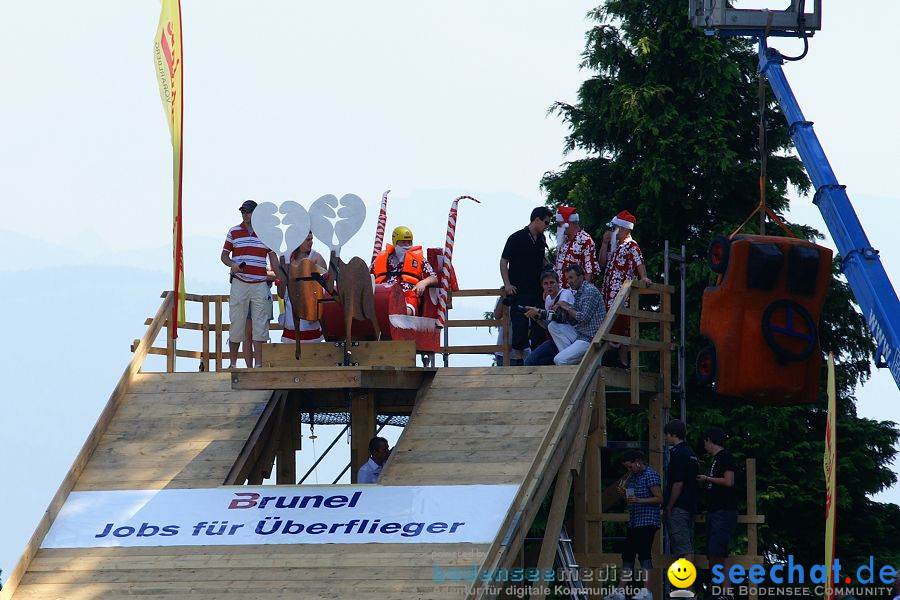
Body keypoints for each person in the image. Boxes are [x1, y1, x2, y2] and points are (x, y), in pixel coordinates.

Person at [220, 200, 278, 369]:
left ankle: (258, 364)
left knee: (260, 325)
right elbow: (224, 256)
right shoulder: (234, 232)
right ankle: (232, 363)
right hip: (240, 282)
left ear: (256, 213)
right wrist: (233, 266)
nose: (246, 215)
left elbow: (273, 258)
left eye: (249, 211)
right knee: (236, 322)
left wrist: (281, 276)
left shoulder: (266, 233)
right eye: (243, 212)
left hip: (260, 283)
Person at [605, 449, 662, 600]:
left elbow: (659, 498)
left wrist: (639, 500)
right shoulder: (633, 477)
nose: (629, 470)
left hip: (648, 520)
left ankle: (647, 591)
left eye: (630, 467)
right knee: (628, 554)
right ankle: (620, 591)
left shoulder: (650, 475)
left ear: (638, 462)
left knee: (644, 554)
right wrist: (624, 494)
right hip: (635, 520)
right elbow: (631, 498)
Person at [599, 210, 652, 368]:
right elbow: (602, 262)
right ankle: (614, 361)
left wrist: (643, 277)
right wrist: (604, 243)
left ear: (622, 229)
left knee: (622, 328)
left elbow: (639, 261)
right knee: (611, 328)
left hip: (622, 296)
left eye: (614, 228)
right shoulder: (615, 247)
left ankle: (623, 362)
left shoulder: (631, 245)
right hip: (608, 296)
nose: (611, 231)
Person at [500, 207, 553, 365]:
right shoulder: (516, 238)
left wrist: (552, 269)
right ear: (537, 220)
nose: (547, 226)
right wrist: (507, 284)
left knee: (538, 325)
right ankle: (519, 360)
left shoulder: (541, 239)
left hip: (537, 290)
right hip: (519, 289)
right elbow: (503, 262)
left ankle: (535, 360)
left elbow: (542, 258)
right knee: (519, 326)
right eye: (546, 222)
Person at [696, 427, 738, 600]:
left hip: (724, 511)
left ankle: (725, 591)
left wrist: (707, 479)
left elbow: (729, 481)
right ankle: (718, 589)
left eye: (704, 441)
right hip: (714, 511)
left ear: (709, 440)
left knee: (719, 551)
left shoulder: (725, 457)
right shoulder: (715, 460)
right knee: (715, 552)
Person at [371, 226, 438, 316]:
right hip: (383, 295)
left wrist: (423, 282)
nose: (407, 246)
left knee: (405, 310)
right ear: (395, 242)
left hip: (408, 295)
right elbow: (368, 276)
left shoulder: (419, 259)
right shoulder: (382, 258)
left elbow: (434, 277)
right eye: (403, 242)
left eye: (409, 242)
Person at [277, 231, 327, 343]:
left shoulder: (316, 257)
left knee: (311, 347)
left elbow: (325, 284)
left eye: (312, 239)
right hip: (291, 305)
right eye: (308, 240)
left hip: (310, 307)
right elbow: (281, 282)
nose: (311, 242)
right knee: (290, 346)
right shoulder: (288, 258)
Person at [551, 264, 605, 365]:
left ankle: (570, 364)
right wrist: (561, 310)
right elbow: (573, 320)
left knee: (559, 360)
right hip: (581, 334)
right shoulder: (579, 292)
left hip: (590, 338)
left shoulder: (589, 291)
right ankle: (572, 360)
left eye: (571, 277)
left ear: (581, 277)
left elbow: (583, 318)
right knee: (553, 326)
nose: (569, 281)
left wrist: (566, 307)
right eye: (567, 279)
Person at [663, 419, 699, 569]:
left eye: (667, 434)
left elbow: (678, 482)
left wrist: (669, 505)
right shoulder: (691, 452)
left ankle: (688, 589)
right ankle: (688, 588)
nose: (665, 438)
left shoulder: (678, 453)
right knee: (687, 545)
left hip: (679, 507)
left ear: (674, 434)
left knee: (683, 549)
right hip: (691, 505)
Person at [524, 270, 576, 366]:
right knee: (530, 361)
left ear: (558, 283)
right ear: (542, 286)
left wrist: (539, 311)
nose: (549, 286)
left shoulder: (565, 293)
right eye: (546, 283)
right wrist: (536, 318)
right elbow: (547, 325)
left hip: (572, 334)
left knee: (553, 325)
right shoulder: (548, 299)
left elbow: (560, 317)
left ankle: (569, 361)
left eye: (552, 282)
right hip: (558, 338)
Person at [554, 206, 601, 287]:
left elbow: (589, 271)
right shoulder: (564, 241)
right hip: (560, 294)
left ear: (567, 223)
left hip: (575, 296)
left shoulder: (585, 240)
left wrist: (582, 295)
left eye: (559, 224)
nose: (558, 227)